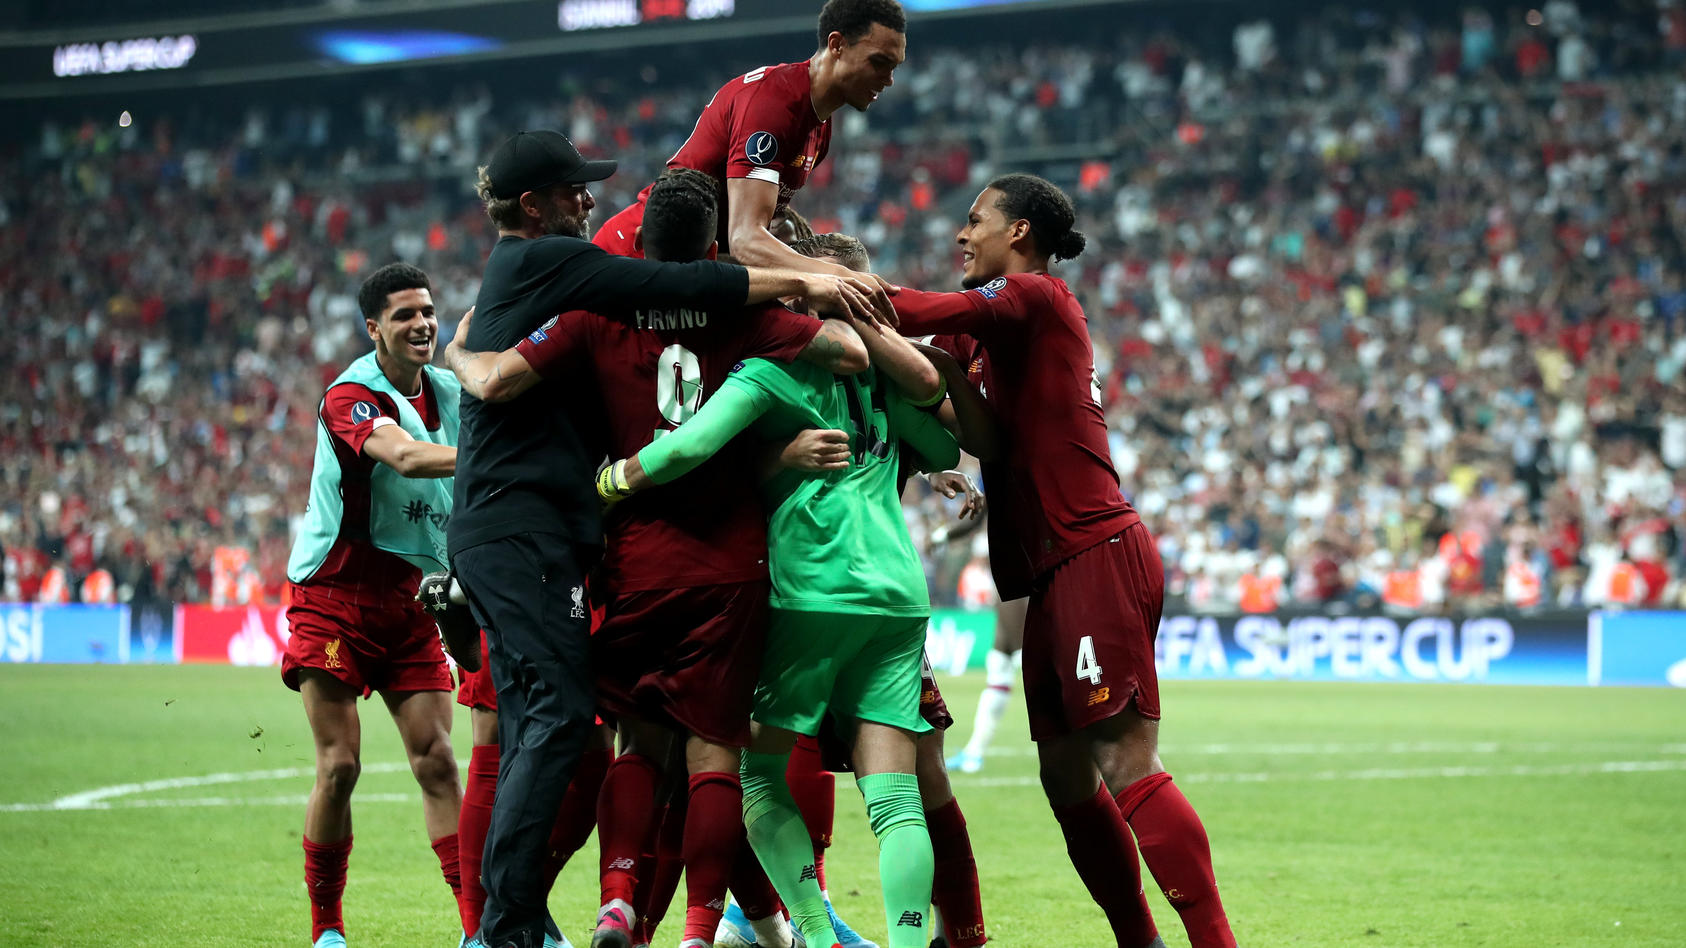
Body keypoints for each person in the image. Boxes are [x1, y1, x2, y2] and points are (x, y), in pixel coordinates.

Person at [449, 129, 889, 948]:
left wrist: (463, 354)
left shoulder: (586, 318)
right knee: (713, 751)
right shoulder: (713, 315)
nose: (590, 203)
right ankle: (683, 926)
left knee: (607, 735)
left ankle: (606, 906)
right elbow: (847, 352)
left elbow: (510, 374)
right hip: (710, 558)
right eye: (575, 190)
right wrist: (808, 286)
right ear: (534, 204)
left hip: (617, 555)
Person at [893, 174, 1238, 948]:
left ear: (1018, 234)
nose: (960, 233)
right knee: (1063, 777)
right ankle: (1138, 941)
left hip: (1094, 552)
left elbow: (910, 310)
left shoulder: (1036, 298)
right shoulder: (982, 331)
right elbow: (950, 411)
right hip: (1048, 573)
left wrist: (814, 286)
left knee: (1123, 758)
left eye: (975, 219)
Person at [596, 256, 955, 948]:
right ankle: (909, 942)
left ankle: (816, 939)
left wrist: (610, 482)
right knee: (896, 798)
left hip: (808, 592)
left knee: (756, 779)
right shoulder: (879, 377)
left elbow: (686, 448)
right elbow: (941, 445)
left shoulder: (768, 370)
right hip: (897, 597)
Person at [281, 263, 465, 948]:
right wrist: (495, 452)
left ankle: (476, 929)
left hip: (411, 597)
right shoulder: (352, 396)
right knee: (340, 766)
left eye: (428, 310)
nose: (422, 323)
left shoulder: (449, 390)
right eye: (404, 315)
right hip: (333, 597)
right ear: (374, 328)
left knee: (439, 761)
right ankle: (327, 929)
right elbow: (409, 459)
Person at [593, 0, 906, 280]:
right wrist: (841, 276)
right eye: (878, 62)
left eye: (894, 67)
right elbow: (746, 240)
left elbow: (748, 233)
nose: (889, 79)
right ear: (836, 45)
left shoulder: (819, 129)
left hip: (690, 267)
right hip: (635, 253)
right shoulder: (773, 103)